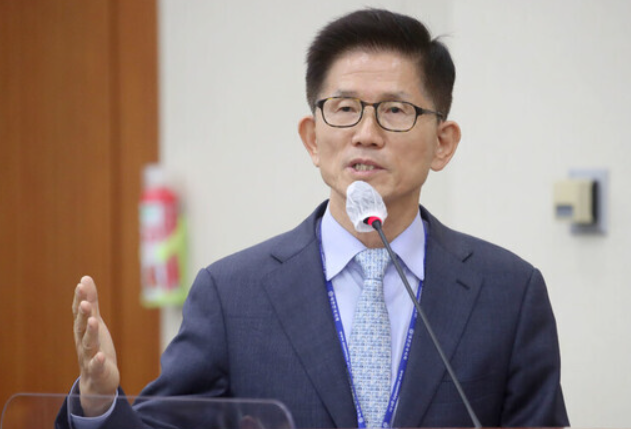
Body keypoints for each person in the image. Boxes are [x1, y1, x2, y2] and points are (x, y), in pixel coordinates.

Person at [58, 8, 569, 429]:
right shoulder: (232, 295)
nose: (366, 133)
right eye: (344, 109)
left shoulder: (508, 293)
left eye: (395, 111)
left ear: (442, 143)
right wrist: (98, 404)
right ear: (312, 139)